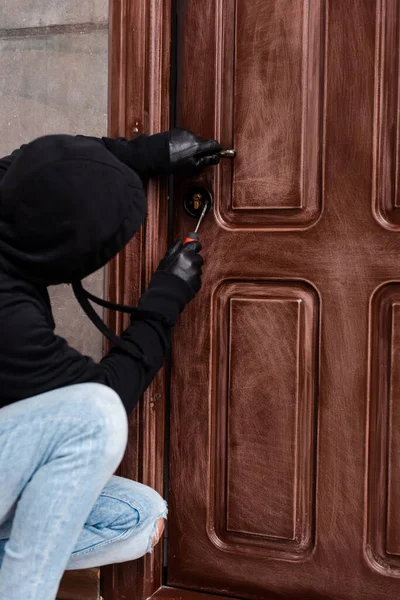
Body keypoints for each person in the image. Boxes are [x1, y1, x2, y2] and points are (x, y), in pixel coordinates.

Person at [0, 129, 222, 600]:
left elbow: (39, 158)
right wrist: (166, 298)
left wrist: (151, 154)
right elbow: (107, 396)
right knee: (94, 417)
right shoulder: (10, 322)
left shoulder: (9, 187)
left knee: (138, 518)